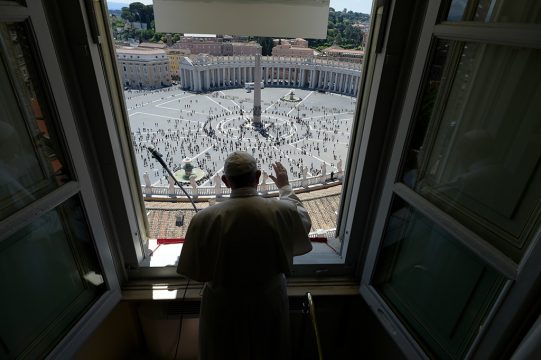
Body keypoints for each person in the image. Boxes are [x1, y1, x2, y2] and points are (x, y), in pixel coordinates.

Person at [177, 151, 312, 360]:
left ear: (225, 181)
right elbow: (303, 223)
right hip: (268, 303)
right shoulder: (282, 210)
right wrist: (285, 188)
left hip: (222, 307)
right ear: (258, 177)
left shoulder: (204, 218)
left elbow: (192, 269)